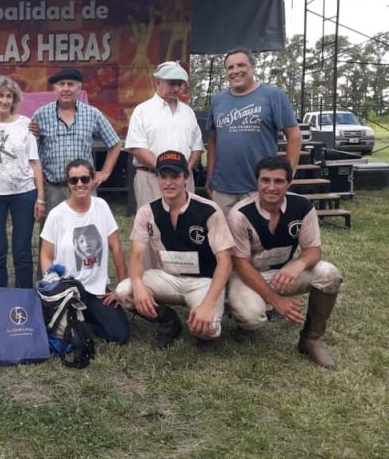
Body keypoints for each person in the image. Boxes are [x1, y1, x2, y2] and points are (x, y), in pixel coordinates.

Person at [227, 156, 342, 369]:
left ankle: (310, 339)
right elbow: (241, 264)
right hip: (247, 274)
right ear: (257, 182)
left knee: (330, 274)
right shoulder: (239, 214)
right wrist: (276, 301)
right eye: (265, 180)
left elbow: (313, 250)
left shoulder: (303, 206)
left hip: (282, 272)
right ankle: (243, 324)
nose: (271, 187)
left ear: (289, 183)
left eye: (278, 181)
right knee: (252, 317)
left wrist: (296, 265)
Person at [116, 150, 234, 351]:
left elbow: (225, 262)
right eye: (163, 176)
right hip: (167, 277)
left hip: (202, 281)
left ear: (186, 177)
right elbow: (136, 255)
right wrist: (138, 284)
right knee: (124, 291)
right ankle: (168, 321)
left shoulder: (208, 210)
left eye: (175, 176)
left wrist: (207, 304)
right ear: (157, 178)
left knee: (209, 328)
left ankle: (202, 325)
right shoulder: (147, 212)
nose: (168, 182)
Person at [40, 158, 130, 343]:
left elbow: (116, 247)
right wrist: (54, 288)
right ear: (68, 183)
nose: (79, 184)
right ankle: (79, 319)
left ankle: (89, 317)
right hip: (68, 291)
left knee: (120, 336)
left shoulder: (102, 206)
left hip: (97, 291)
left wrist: (121, 290)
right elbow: (46, 256)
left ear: (92, 179)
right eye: (74, 180)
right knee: (75, 340)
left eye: (84, 179)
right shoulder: (56, 214)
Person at [205, 48, 302, 216]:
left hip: (260, 188)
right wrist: (210, 175)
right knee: (224, 241)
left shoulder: (273, 95)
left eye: (241, 65)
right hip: (223, 188)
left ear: (253, 67)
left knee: (258, 239)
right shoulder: (218, 101)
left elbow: (294, 135)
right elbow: (213, 139)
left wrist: (288, 174)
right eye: (230, 67)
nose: (235, 71)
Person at [0, 75, 45, 288]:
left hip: (24, 194)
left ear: (13, 100)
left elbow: (35, 163)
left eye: (8, 96)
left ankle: (24, 298)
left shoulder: (26, 125)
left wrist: (40, 198)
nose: (4, 101)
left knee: (22, 250)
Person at [32, 68, 121, 215]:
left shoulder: (92, 114)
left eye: (71, 84)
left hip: (84, 187)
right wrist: (38, 174)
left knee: (87, 231)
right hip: (53, 189)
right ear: (55, 89)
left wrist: (105, 172)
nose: (66, 89)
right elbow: (31, 150)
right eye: (61, 84)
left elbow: (115, 144)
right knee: (53, 234)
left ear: (79, 89)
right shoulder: (40, 115)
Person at [124, 61, 203, 207]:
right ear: (157, 82)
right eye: (172, 83)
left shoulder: (188, 112)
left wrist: (185, 171)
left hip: (183, 179)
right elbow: (136, 147)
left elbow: (197, 147)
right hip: (150, 178)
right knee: (152, 224)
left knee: (185, 222)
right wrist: (165, 169)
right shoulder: (142, 111)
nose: (176, 88)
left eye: (180, 84)